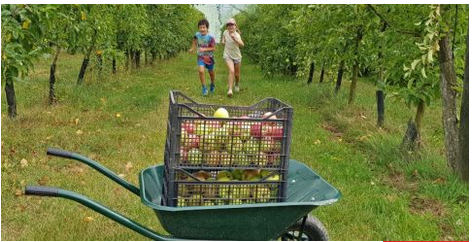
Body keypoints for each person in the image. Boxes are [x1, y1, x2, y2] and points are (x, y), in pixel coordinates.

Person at [189, 19, 216, 96]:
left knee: (211, 72)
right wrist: (193, 48)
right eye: (200, 27)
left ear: (207, 28)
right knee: (201, 71)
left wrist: (204, 49)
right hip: (201, 57)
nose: (202, 29)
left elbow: (213, 48)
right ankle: (204, 88)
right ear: (198, 28)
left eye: (204, 27)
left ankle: (212, 84)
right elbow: (194, 41)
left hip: (209, 58)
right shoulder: (197, 35)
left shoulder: (211, 37)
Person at [221, 18, 244, 98]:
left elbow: (242, 45)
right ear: (227, 27)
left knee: (237, 74)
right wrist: (223, 41)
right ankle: (230, 90)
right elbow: (223, 38)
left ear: (235, 26)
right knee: (231, 71)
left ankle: (236, 84)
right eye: (228, 25)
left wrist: (235, 39)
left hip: (237, 57)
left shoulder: (237, 35)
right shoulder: (225, 32)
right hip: (227, 55)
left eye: (232, 25)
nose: (230, 26)